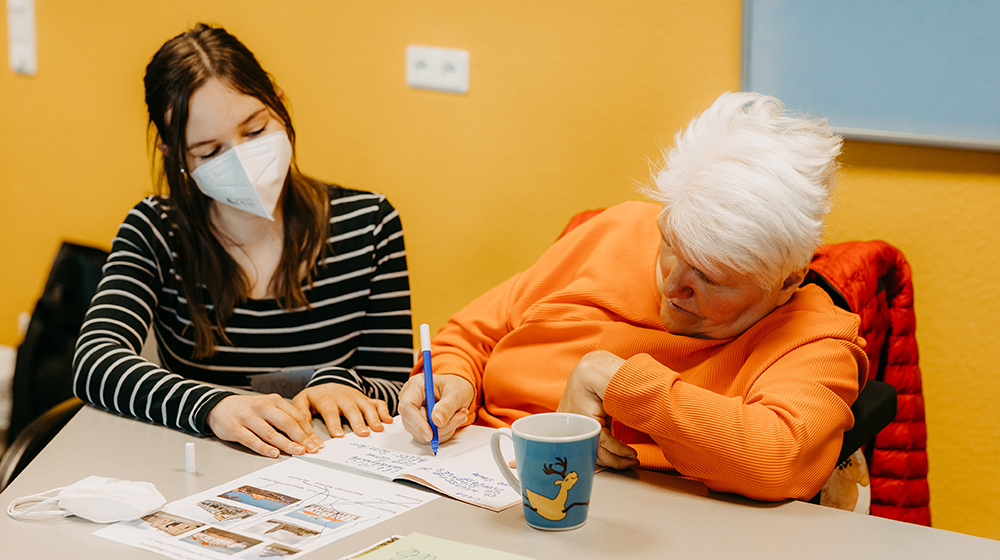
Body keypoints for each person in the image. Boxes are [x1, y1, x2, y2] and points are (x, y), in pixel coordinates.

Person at [398, 92, 868, 501]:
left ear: (787, 279)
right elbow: (474, 332)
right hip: (469, 468)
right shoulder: (619, 229)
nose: (671, 283)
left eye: (710, 277)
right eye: (669, 246)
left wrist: (612, 378)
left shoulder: (814, 339)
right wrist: (455, 379)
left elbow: (777, 459)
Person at [73, 24, 413, 459]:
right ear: (175, 155)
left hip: (336, 470)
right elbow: (96, 364)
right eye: (209, 151)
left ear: (279, 101)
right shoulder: (156, 230)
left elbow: (397, 384)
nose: (240, 160)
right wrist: (215, 406)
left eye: (254, 132)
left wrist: (344, 382)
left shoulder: (369, 224)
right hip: (199, 470)